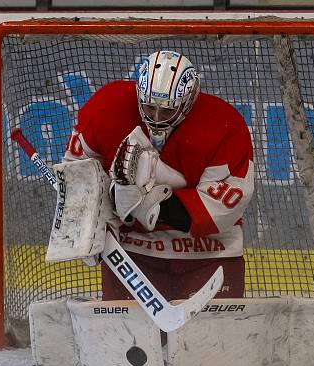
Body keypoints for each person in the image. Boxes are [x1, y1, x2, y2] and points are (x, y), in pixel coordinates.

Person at [63, 50, 255, 301]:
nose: (155, 118)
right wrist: (90, 221)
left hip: (208, 253)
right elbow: (77, 172)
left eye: (167, 111)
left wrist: (154, 208)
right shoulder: (107, 109)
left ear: (188, 101)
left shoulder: (223, 125)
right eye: (149, 106)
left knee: (212, 340)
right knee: (125, 340)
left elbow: (226, 204)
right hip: (131, 252)